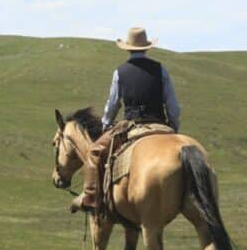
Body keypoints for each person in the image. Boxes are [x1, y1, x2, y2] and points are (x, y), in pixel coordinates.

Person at [73, 26, 181, 213]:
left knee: (93, 153)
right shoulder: (160, 70)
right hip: (160, 123)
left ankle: (91, 198)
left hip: (132, 125)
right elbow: (173, 106)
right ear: (147, 48)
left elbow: (112, 104)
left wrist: (106, 124)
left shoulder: (120, 72)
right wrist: (173, 126)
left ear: (128, 49)